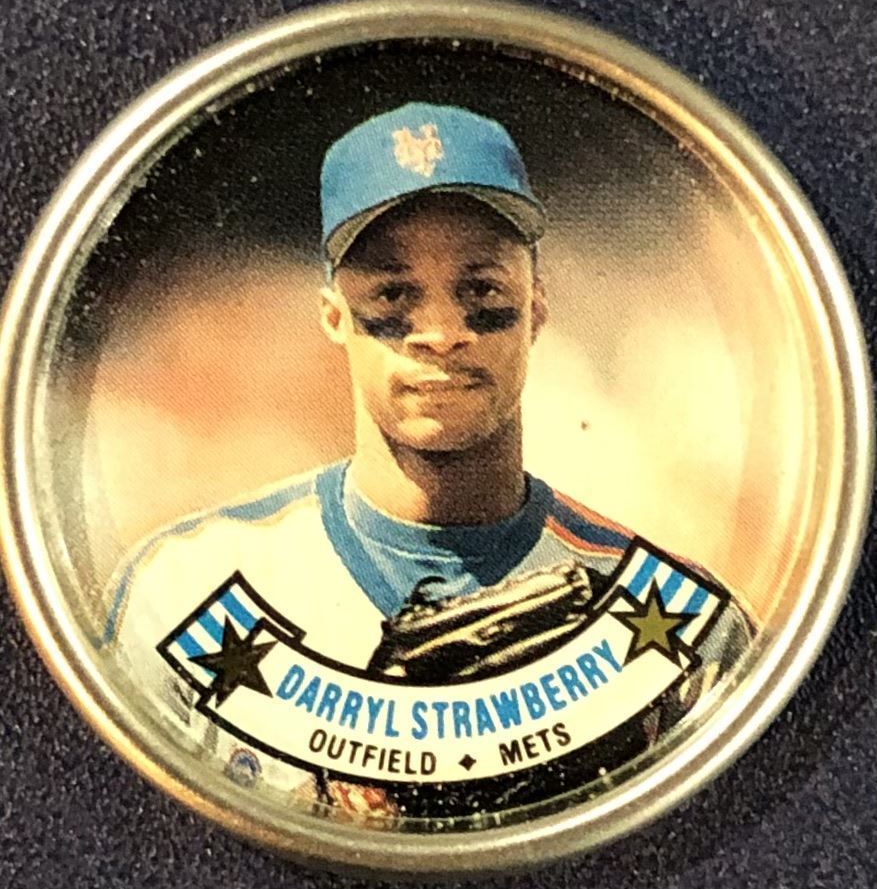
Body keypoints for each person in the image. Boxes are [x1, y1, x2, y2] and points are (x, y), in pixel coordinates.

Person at [103, 102, 753, 818]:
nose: (441, 333)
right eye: (393, 293)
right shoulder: (181, 596)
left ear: (536, 307)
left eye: (482, 291)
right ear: (332, 316)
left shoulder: (680, 622)